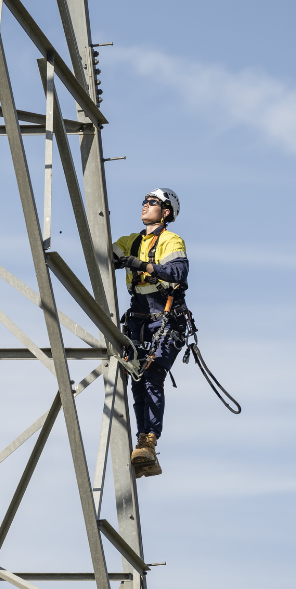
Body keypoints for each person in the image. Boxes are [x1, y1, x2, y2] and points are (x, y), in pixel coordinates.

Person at [112, 188, 188, 478]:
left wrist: (140, 265)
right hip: (139, 319)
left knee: (153, 374)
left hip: (166, 319)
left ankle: (148, 441)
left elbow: (178, 274)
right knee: (137, 378)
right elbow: (104, 255)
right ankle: (142, 445)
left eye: (152, 202)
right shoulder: (130, 241)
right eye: (144, 201)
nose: (145, 205)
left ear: (166, 211)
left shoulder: (171, 240)